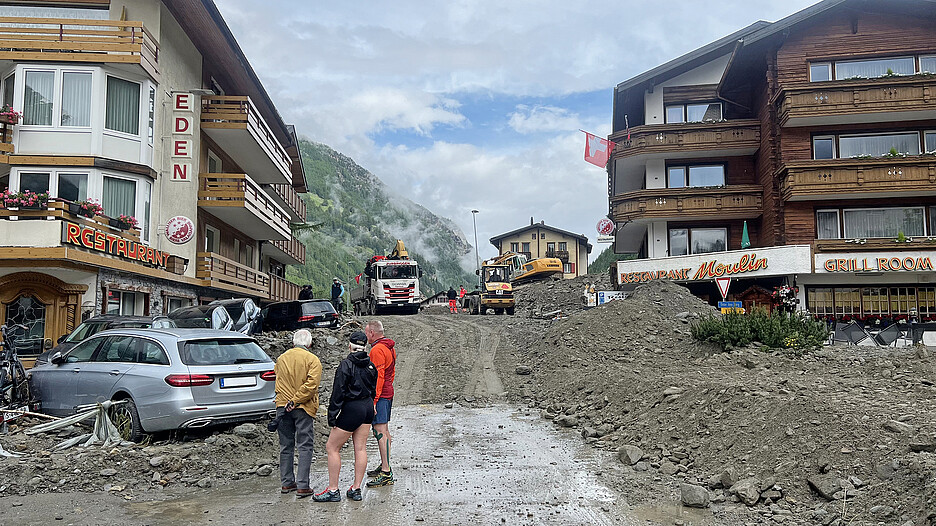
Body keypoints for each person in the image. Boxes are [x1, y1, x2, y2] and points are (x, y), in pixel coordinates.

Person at [313, 331, 378, 502]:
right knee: (361, 448)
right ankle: (356, 488)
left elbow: (338, 392)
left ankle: (333, 490)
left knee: (332, 447)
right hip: (367, 407)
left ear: (350, 346)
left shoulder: (346, 365)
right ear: (365, 346)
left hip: (352, 408)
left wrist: (332, 415)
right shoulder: (371, 365)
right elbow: (373, 389)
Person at [274, 329, 322, 498]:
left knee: (285, 446)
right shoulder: (313, 360)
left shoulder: (281, 359)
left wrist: (287, 402)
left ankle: (287, 483)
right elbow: (311, 386)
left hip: (282, 407)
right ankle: (303, 486)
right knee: (305, 446)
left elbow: (278, 382)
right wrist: (295, 401)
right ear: (309, 344)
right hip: (303, 408)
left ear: (293, 343)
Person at [365, 320, 396, 487]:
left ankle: (386, 472)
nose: (365, 336)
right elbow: (390, 374)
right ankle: (386, 464)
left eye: (366, 333)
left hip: (381, 395)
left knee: (380, 432)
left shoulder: (377, 350)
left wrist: (374, 401)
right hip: (387, 392)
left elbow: (379, 377)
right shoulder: (389, 347)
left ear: (372, 333)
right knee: (385, 431)